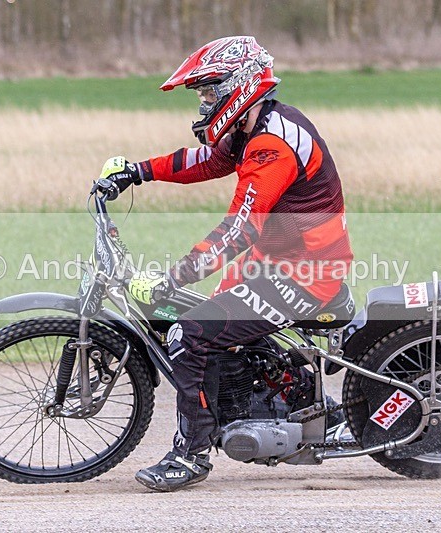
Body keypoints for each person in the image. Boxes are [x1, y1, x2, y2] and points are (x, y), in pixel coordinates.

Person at [99, 36, 353, 491]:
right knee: (221, 329)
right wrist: (138, 171)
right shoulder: (255, 124)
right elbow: (206, 161)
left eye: (210, 92)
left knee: (189, 333)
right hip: (279, 259)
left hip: (305, 271)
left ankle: (191, 454)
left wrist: (171, 278)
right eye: (202, 94)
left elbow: (238, 230)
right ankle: (311, 407)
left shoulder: (271, 144)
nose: (204, 103)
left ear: (241, 85)